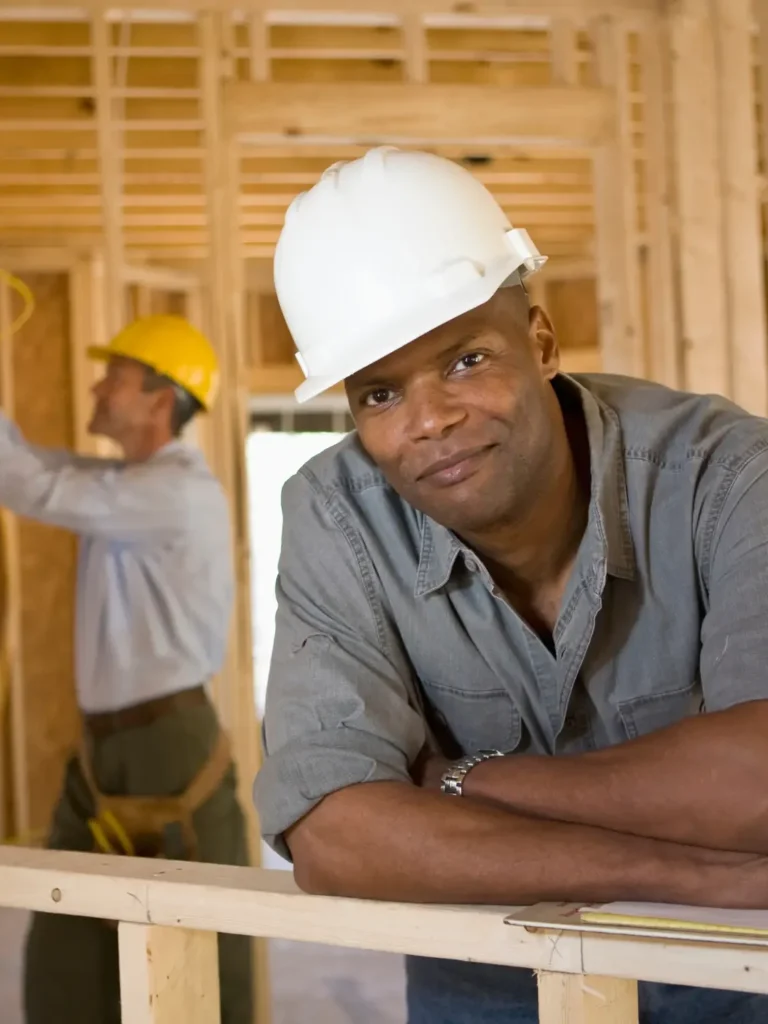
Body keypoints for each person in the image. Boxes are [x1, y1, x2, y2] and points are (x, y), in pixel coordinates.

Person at [254, 146, 768, 1024]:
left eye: (464, 361)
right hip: (495, 979)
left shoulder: (722, 476)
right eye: (379, 394)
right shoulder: (337, 517)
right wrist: (686, 868)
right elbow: (334, 835)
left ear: (540, 341)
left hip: (734, 970)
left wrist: (459, 783)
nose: (430, 422)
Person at [1, 315, 253, 1024]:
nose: (95, 385)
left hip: (168, 744)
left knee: (198, 948)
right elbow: (31, 469)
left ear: (158, 399)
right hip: (107, 745)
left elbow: (31, 485)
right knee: (62, 952)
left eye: (114, 375)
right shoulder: (129, 481)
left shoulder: (174, 492)